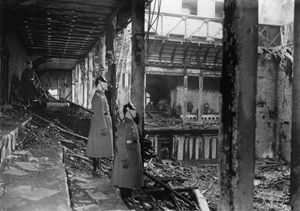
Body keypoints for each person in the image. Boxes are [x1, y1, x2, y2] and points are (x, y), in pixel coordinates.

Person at [112, 102, 144, 200]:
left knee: (131, 179)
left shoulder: (132, 124)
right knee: (125, 180)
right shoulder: (123, 125)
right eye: (133, 110)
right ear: (128, 111)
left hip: (134, 155)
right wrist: (124, 158)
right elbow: (120, 144)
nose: (135, 112)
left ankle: (129, 197)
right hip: (127, 155)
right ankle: (125, 199)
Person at [86, 75, 113, 177]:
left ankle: (98, 167)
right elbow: (99, 112)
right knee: (96, 147)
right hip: (99, 124)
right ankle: (95, 170)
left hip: (102, 122)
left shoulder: (101, 95)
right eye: (105, 83)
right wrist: (103, 126)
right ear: (100, 83)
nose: (107, 85)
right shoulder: (97, 96)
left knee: (100, 146)